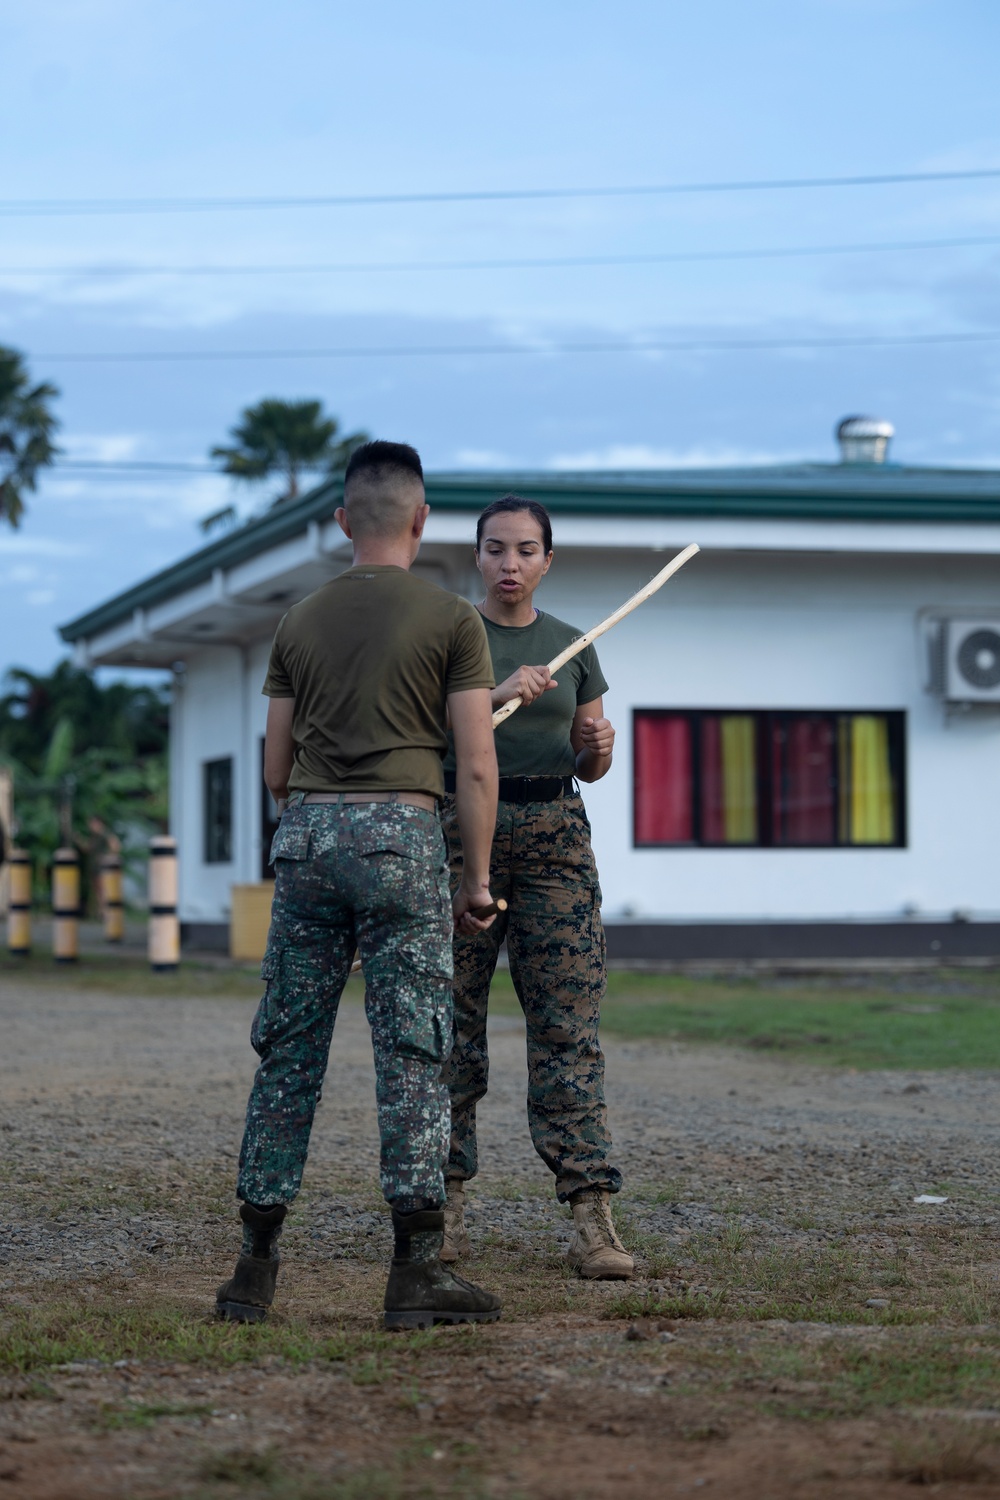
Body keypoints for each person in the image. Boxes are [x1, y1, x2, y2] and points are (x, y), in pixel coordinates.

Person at [216, 440, 503, 1330]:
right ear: (422, 520)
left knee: (289, 1045)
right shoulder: (455, 619)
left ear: (344, 521)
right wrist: (478, 879)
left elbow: (273, 764)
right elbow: (477, 764)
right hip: (403, 838)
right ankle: (416, 1270)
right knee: (411, 1046)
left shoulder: (297, 619)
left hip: (307, 833)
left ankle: (253, 1267)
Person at [440, 495, 633, 1280]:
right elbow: (426, 728)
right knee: (448, 1022)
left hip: (555, 833)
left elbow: (589, 764)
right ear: (476, 557)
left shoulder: (575, 645)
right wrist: (492, 694)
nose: (509, 565)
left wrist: (598, 745)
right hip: (460, 831)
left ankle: (591, 1213)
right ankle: (440, 1206)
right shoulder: (449, 636)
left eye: (525, 550)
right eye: (494, 550)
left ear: (548, 559)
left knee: (567, 1025)